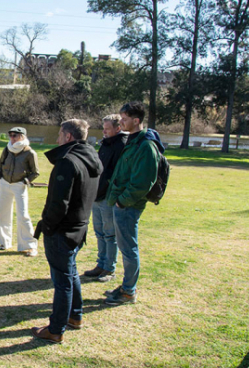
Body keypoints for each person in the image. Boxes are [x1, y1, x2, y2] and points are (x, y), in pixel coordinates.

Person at [31, 119, 102, 344]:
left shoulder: (67, 162)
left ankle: (56, 328)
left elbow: (58, 203)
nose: (57, 139)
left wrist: (48, 227)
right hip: (78, 228)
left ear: (69, 137)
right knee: (70, 273)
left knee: (62, 280)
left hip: (63, 232)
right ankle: (75, 316)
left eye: (60, 134)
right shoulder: (91, 157)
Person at [104, 102, 162, 305]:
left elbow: (143, 182)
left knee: (129, 249)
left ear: (136, 121)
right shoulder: (133, 141)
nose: (121, 122)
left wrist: (122, 202)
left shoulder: (146, 145)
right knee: (125, 247)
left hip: (128, 207)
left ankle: (129, 292)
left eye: (125, 119)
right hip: (121, 204)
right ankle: (126, 286)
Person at [83, 115, 128, 282]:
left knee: (110, 235)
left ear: (118, 129)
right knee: (100, 233)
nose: (104, 131)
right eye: (103, 128)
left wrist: (114, 195)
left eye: (107, 129)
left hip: (109, 198)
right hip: (97, 194)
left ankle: (109, 269)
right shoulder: (105, 144)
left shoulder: (121, 145)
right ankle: (101, 265)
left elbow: (119, 174)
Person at [0, 126, 40, 257]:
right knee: (2, 213)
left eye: (15, 135)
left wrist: (24, 181)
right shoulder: (7, 149)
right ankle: (5, 242)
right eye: (10, 135)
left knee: (23, 215)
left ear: (22, 136)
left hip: (19, 186)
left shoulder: (30, 152)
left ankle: (29, 245)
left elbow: (35, 172)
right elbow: (0, 163)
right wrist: (0, 176)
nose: (12, 138)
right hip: (5, 184)